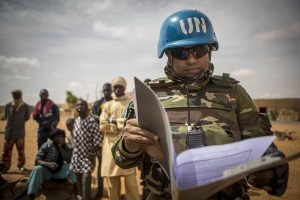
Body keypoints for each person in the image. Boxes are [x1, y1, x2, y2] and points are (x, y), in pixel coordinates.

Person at [112, 10, 289, 200]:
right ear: (169, 55)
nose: (191, 59)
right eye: (181, 52)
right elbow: (122, 160)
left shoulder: (234, 94)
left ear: (210, 50)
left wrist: (268, 171)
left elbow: (259, 156)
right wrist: (129, 145)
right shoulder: (148, 96)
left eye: (199, 50)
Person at [100, 76, 139, 200]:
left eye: (120, 87)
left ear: (124, 87)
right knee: (112, 181)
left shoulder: (131, 104)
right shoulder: (107, 105)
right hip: (109, 147)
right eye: (115, 87)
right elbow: (102, 124)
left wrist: (114, 121)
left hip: (127, 146)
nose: (117, 89)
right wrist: (120, 124)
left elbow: (132, 122)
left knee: (131, 181)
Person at [27, 129, 76, 200]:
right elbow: (38, 160)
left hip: (59, 172)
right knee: (37, 168)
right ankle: (31, 195)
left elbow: (68, 160)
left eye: (60, 136)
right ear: (53, 138)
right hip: (47, 172)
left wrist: (61, 147)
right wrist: (48, 164)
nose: (59, 138)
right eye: (56, 137)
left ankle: (76, 190)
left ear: (63, 137)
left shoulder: (67, 146)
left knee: (73, 166)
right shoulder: (47, 145)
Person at [70, 99, 102, 200]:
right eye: (77, 105)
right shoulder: (76, 121)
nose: (79, 107)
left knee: (86, 179)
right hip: (76, 156)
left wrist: (92, 154)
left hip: (87, 157)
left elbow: (98, 141)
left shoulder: (91, 121)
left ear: (87, 107)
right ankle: (81, 197)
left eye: (82, 105)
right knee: (79, 181)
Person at [91, 82, 112, 198]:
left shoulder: (115, 102)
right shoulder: (98, 104)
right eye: (105, 90)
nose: (106, 92)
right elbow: (92, 115)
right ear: (102, 91)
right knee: (101, 167)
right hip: (100, 140)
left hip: (113, 140)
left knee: (112, 167)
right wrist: (101, 118)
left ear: (111, 91)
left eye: (108, 90)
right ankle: (99, 191)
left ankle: (112, 192)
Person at [1, 89, 30, 172]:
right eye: (15, 97)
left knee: (21, 151)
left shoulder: (25, 107)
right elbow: (6, 116)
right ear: (13, 97)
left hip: (19, 134)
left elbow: (27, 117)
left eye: (18, 97)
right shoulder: (8, 106)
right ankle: (5, 166)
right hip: (9, 133)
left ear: (21, 96)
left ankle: (21, 166)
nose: (17, 99)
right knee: (6, 151)